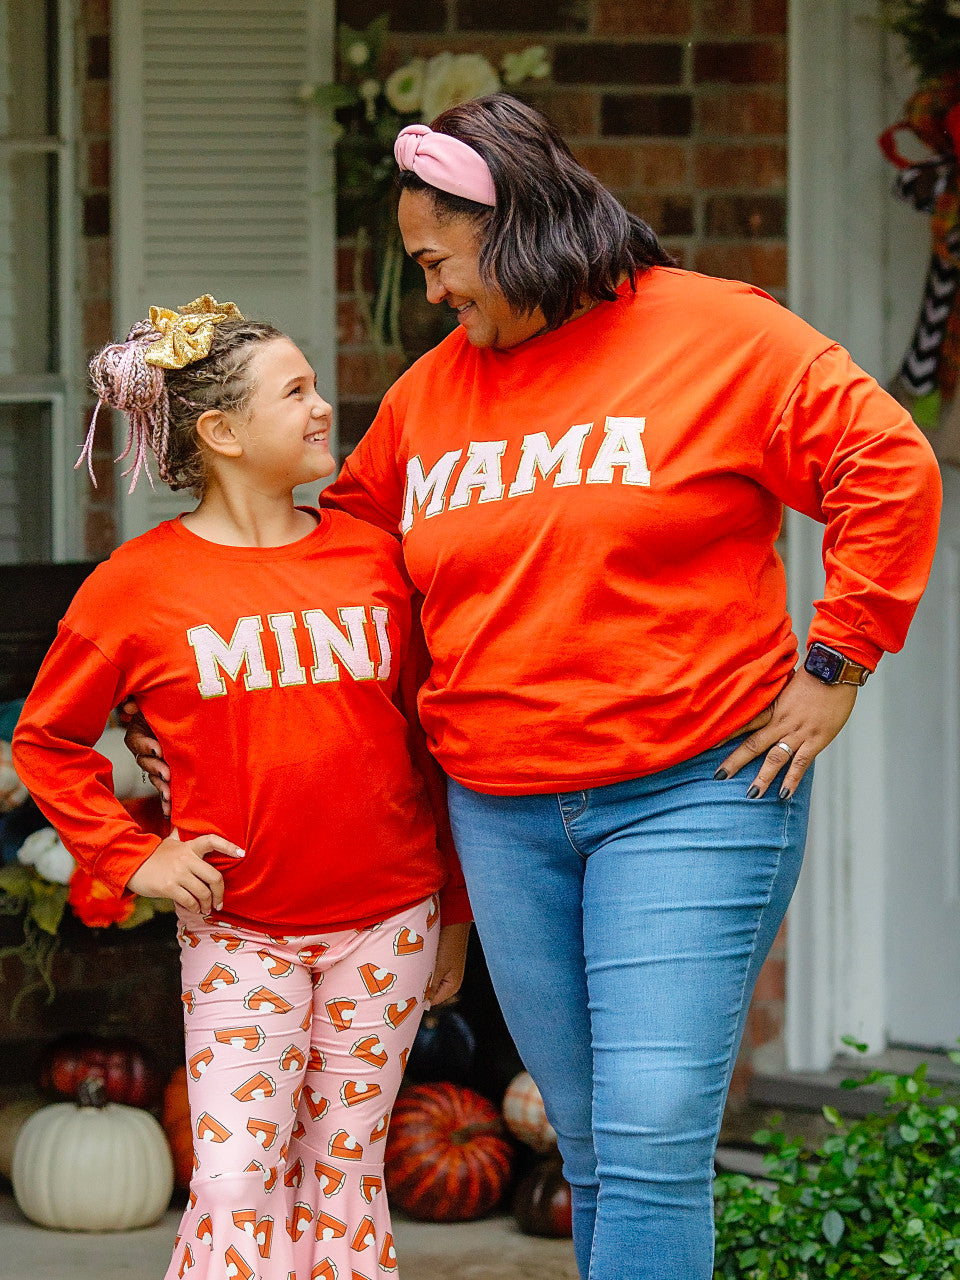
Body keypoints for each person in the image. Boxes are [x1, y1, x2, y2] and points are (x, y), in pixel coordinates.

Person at [129, 96, 943, 1280]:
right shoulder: (431, 397)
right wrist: (200, 700)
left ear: (509, 223)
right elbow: (334, 578)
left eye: (436, 260)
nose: (432, 292)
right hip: (504, 818)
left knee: (654, 1124)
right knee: (598, 1147)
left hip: (694, 792)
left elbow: (886, 462)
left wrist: (838, 658)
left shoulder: (718, 333)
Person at [12, 297, 471, 1280]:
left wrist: (455, 913)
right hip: (242, 929)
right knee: (234, 1177)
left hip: (387, 921)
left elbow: (433, 747)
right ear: (219, 433)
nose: (321, 408)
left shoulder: (376, 559)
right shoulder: (138, 585)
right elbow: (48, 740)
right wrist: (136, 855)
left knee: (345, 1171)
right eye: (295, 391)